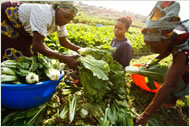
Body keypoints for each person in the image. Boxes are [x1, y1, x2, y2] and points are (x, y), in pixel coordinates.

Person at [134, 1, 189, 126]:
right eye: (148, 45)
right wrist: (153, 61)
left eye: (154, 45)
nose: (152, 50)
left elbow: (168, 84)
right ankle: (171, 100)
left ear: (166, 40)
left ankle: (172, 102)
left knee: (182, 77)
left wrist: (145, 116)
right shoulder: (170, 36)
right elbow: (168, 48)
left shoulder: (183, 49)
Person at [1, 1, 80, 69]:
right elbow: (37, 46)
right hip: (8, 17)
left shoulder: (61, 21)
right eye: (66, 17)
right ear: (57, 9)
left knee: (27, 57)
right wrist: (65, 58)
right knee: (11, 55)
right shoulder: (44, 14)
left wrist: (82, 51)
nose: (67, 21)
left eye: (70, 19)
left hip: (23, 29)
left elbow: (63, 42)